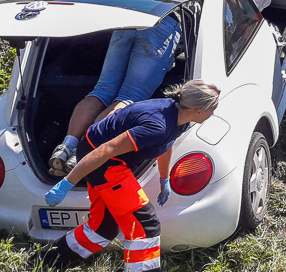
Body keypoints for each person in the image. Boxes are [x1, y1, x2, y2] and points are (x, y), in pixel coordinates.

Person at [38, 79, 220, 272]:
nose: (213, 113)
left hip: (102, 157)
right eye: (212, 109)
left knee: (103, 228)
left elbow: (165, 144)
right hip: (102, 162)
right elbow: (107, 149)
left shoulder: (177, 114)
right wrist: (67, 182)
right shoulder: (157, 125)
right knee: (146, 225)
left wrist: (164, 178)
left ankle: (45, 261)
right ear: (199, 110)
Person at [48, 16, 181, 176]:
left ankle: (66, 147)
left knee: (101, 91)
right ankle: (83, 151)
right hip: (161, 23)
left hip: (126, 19)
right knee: (130, 96)